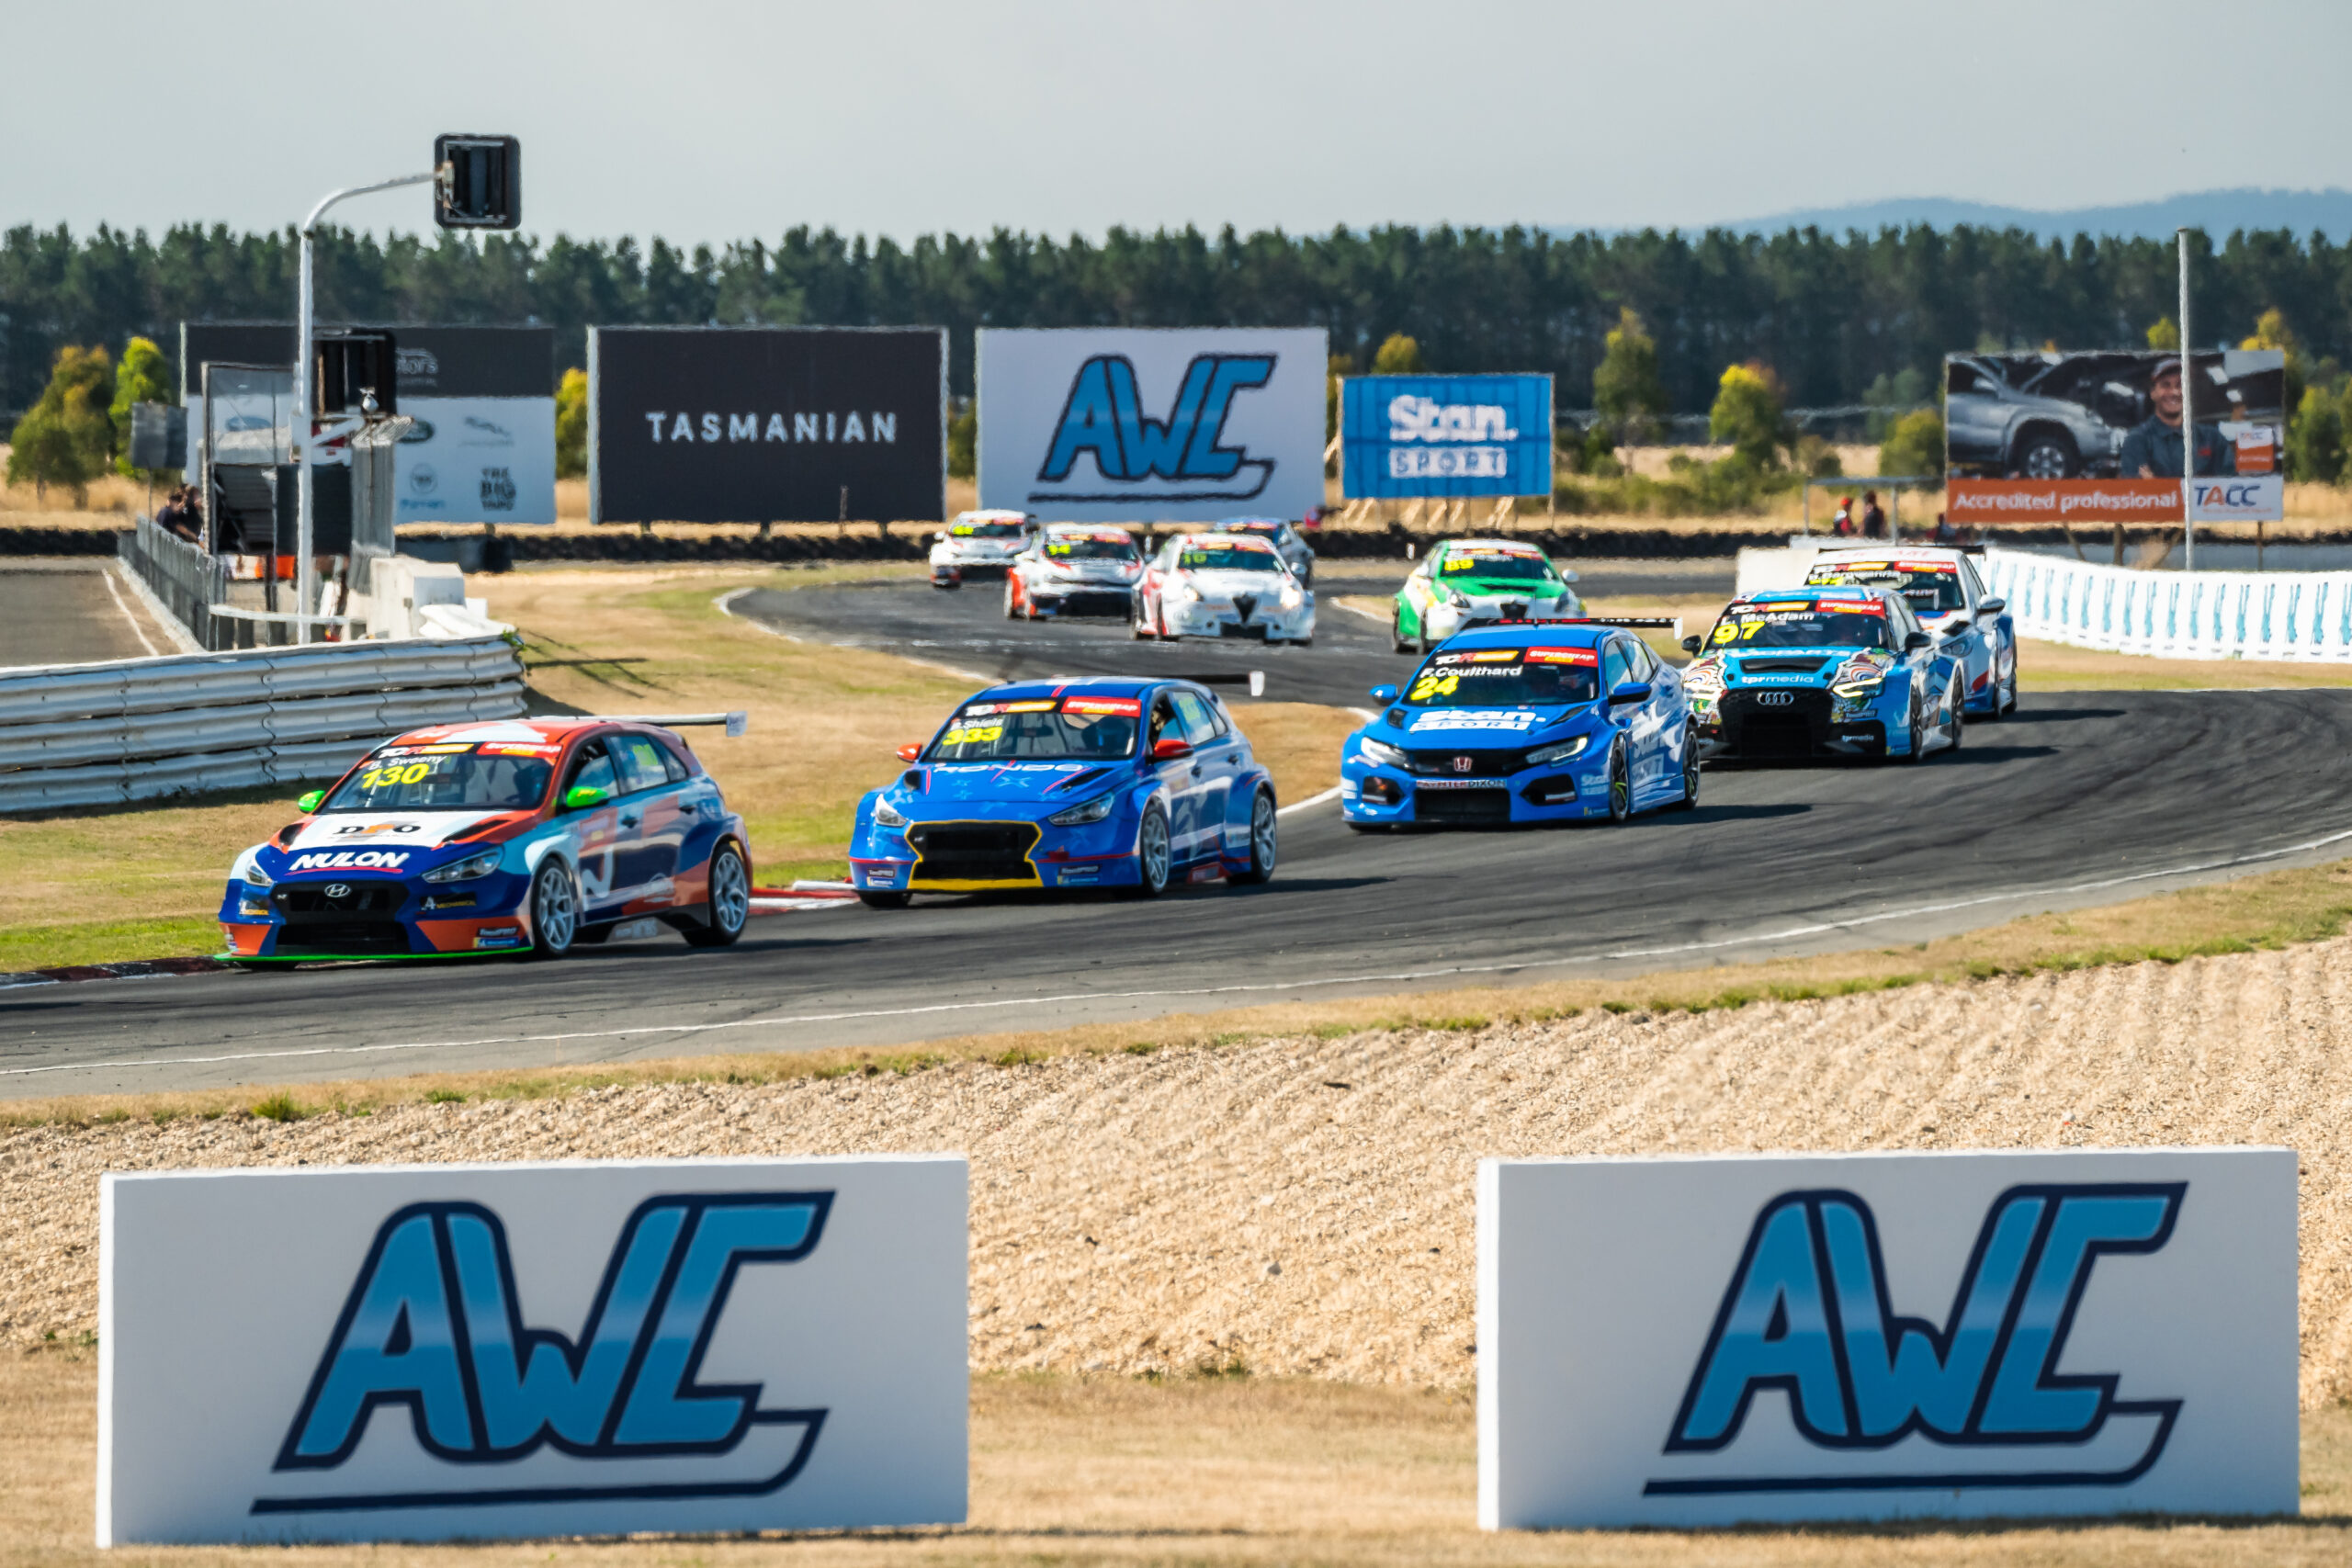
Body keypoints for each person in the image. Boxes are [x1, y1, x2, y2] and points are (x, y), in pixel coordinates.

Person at [2120, 356, 2236, 479]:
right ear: (2153, 393)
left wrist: (2155, 484)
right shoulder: (2137, 441)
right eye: (2166, 385)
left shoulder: (2212, 439)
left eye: (2180, 385)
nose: (2174, 392)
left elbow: (2229, 487)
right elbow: (2137, 492)